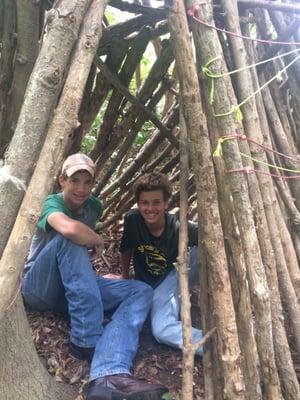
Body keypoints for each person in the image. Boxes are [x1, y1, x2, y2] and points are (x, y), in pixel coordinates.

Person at [22, 153, 168, 400]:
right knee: (67, 238)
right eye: (74, 180)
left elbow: (80, 253)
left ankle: (109, 371)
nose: (81, 188)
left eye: (87, 182)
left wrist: (95, 275)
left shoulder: (93, 207)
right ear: (62, 181)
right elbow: (70, 230)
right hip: (40, 286)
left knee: (141, 290)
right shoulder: (51, 203)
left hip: (71, 287)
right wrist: (96, 239)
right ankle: (86, 339)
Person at [120, 172, 203, 355]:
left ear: (166, 203)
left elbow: (212, 238)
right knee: (160, 330)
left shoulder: (179, 227)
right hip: (153, 284)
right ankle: (208, 342)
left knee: (204, 245)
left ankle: (216, 345)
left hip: (176, 272)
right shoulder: (133, 220)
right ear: (138, 204)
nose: (150, 208)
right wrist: (125, 276)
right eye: (144, 203)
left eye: (156, 202)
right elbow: (126, 248)